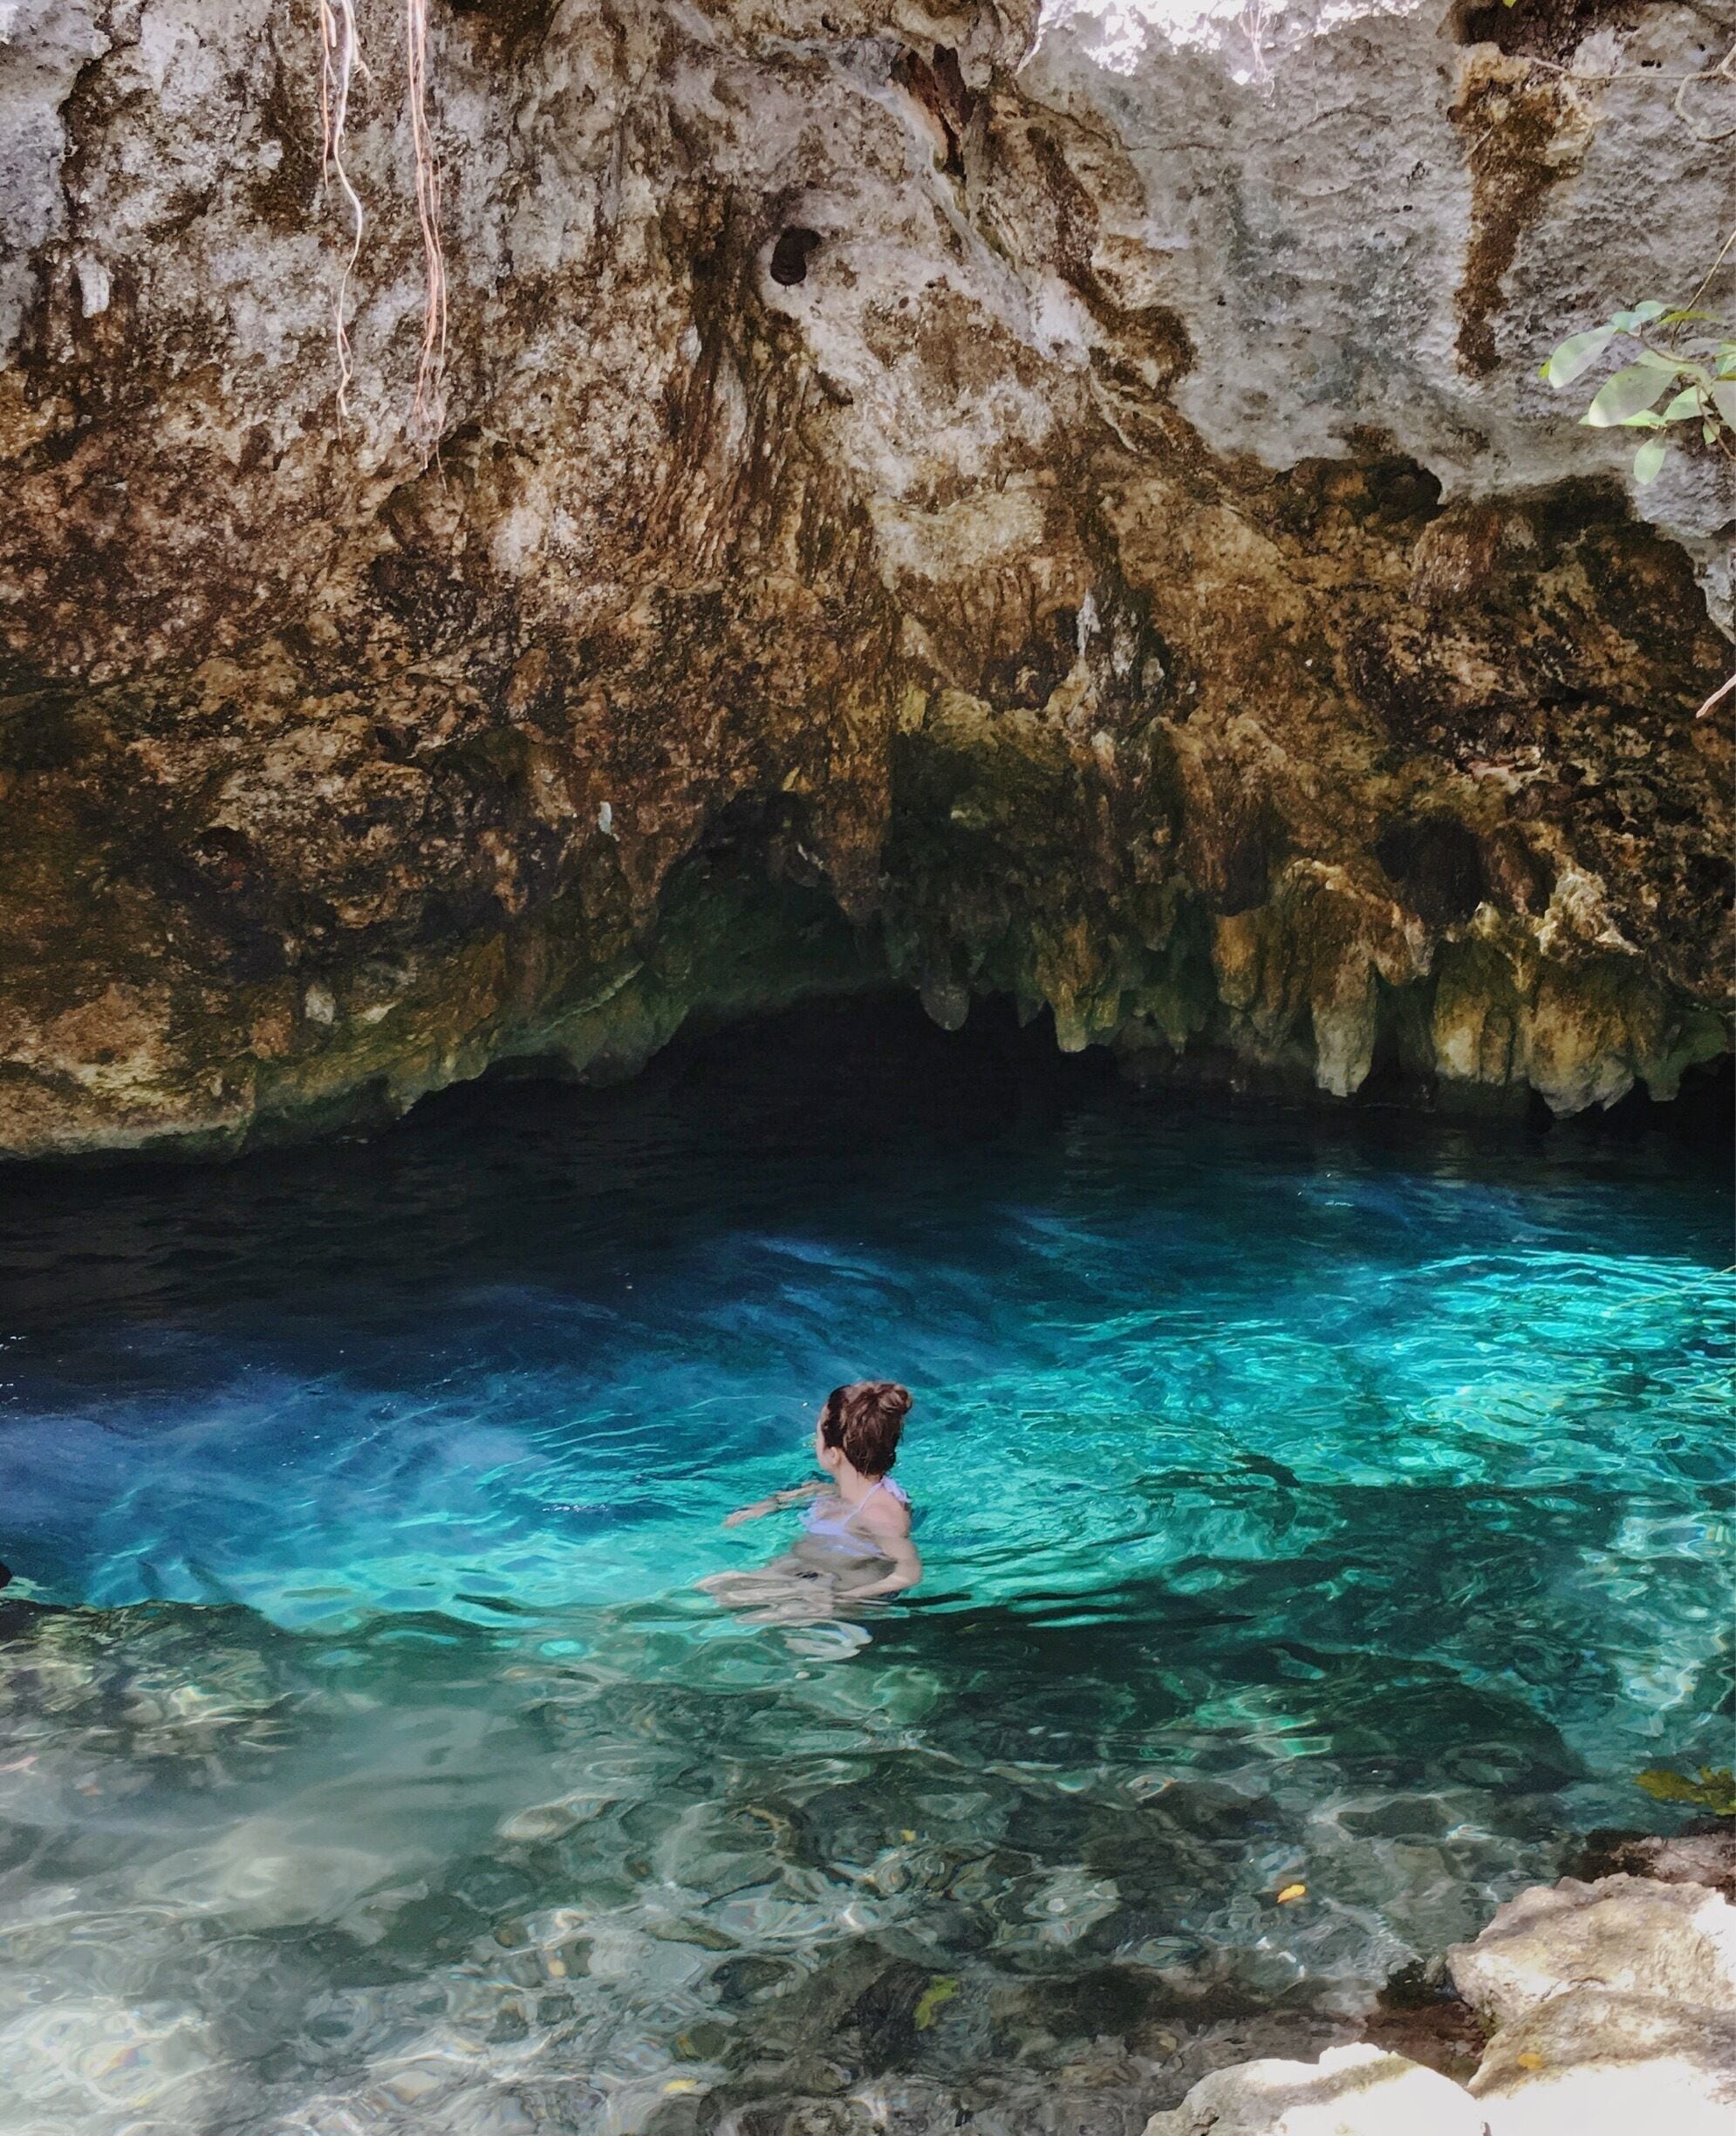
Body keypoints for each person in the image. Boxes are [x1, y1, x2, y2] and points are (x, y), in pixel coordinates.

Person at [703, 1380, 923, 1623]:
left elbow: (908, 1573)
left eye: (817, 1437)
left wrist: (849, 1598)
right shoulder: (842, 1491)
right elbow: (807, 1493)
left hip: (841, 1593)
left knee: (746, 1615)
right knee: (716, 1586)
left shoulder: (881, 1512)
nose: (812, 1443)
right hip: (811, 1574)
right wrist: (768, 1505)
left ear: (833, 1454)